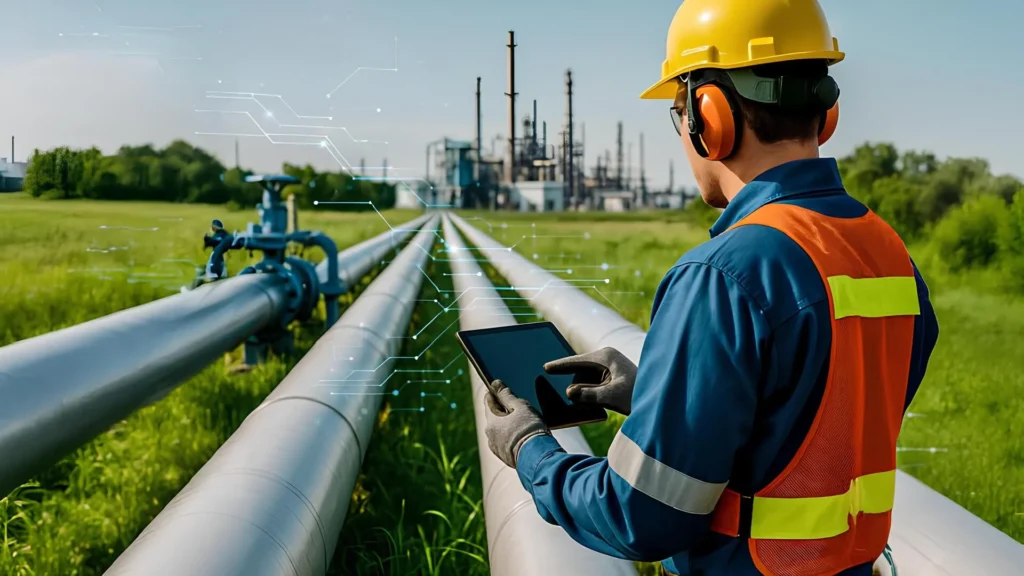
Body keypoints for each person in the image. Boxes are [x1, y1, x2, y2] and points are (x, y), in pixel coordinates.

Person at [480, 0, 940, 574]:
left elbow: (640, 516)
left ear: (709, 114)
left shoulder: (724, 275)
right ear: (826, 115)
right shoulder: (888, 253)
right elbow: (821, 423)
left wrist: (531, 451)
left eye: (680, 112)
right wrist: (659, 397)